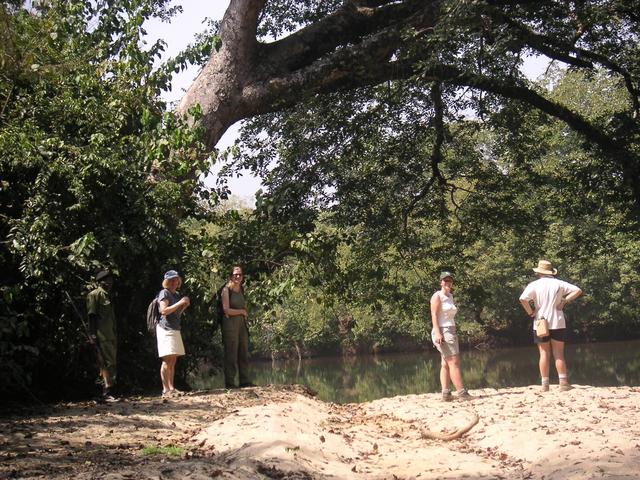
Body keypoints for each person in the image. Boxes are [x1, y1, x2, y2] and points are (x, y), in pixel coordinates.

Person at [519, 260, 582, 392]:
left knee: (544, 353)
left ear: (539, 272)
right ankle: (563, 383)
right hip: (558, 321)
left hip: (540, 322)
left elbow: (522, 298)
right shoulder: (559, 283)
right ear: (551, 272)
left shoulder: (534, 285)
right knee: (558, 353)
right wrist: (565, 300)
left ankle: (545, 384)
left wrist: (531, 312)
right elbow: (578, 290)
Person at [430, 271, 471, 401]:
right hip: (443, 330)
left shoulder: (450, 296)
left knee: (445, 363)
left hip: (450, 329)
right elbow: (434, 315)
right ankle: (461, 393)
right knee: (454, 362)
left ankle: (446, 393)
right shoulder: (437, 296)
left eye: (450, 281)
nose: (448, 283)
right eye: (445, 280)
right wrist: (437, 333)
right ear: (441, 282)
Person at [157, 270, 190, 398]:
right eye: (170, 280)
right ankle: (165, 390)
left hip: (175, 328)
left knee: (173, 360)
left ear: (178, 281)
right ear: (166, 282)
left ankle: (171, 388)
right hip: (165, 329)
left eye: (175, 280)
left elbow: (176, 314)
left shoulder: (176, 295)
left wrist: (183, 306)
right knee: (166, 360)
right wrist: (180, 302)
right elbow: (163, 311)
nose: (173, 282)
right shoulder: (164, 293)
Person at [86, 270, 118, 402]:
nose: (109, 283)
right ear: (100, 282)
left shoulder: (108, 295)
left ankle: (107, 391)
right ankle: (106, 391)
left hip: (110, 334)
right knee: (106, 363)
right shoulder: (95, 295)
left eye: (111, 280)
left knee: (109, 362)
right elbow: (92, 315)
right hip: (101, 334)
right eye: (106, 280)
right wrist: (92, 334)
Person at [221, 266, 254, 389]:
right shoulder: (226, 290)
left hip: (241, 325)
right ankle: (230, 383)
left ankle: (245, 381)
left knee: (243, 352)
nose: (238, 276)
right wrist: (241, 311)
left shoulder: (242, 289)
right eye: (235, 274)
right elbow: (226, 310)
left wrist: (243, 314)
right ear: (231, 276)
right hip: (230, 325)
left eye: (240, 274)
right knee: (231, 353)